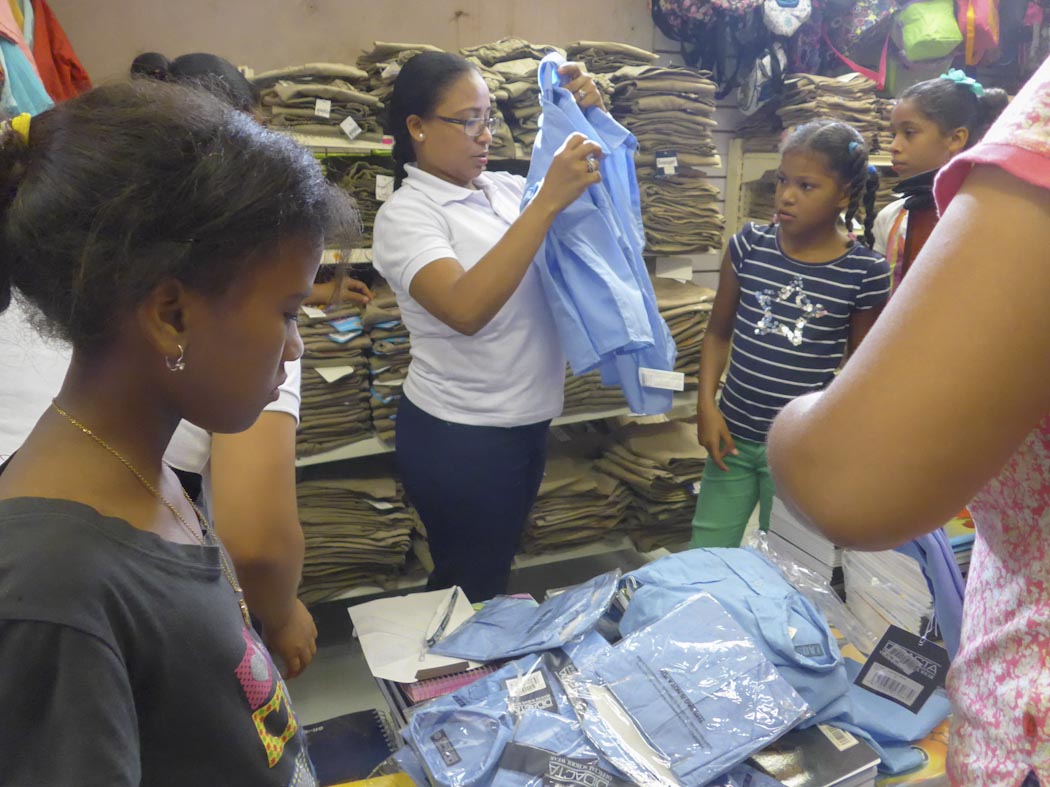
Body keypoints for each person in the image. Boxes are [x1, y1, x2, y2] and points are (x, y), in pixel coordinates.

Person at [0, 79, 357, 783]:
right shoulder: (51, 596)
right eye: (287, 312)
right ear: (172, 316)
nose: (294, 347)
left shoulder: (139, 465)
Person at [767, 57, 1050, 786]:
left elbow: (850, 482)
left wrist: (794, 417)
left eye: (910, 130)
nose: (894, 144)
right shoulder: (893, 220)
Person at [371, 51, 604, 601]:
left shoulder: (501, 189)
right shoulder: (407, 215)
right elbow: (465, 309)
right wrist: (544, 204)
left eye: (489, 117)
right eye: (467, 120)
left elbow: (590, 194)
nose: (485, 135)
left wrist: (586, 117)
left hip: (526, 422)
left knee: (491, 572)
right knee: (469, 584)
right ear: (417, 127)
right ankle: (451, 657)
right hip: (461, 433)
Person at [689, 120, 891, 549]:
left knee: (788, 564)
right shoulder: (749, 246)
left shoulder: (864, 271)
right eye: (783, 180)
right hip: (732, 436)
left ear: (843, 194)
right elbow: (717, 333)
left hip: (800, 452)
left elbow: (862, 370)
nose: (786, 195)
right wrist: (706, 405)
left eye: (806, 185)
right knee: (707, 553)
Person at [873, 69, 1008, 292]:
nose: (893, 146)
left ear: (955, 138)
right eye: (893, 134)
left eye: (909, 132)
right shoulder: (891, 216)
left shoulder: (986, 219)